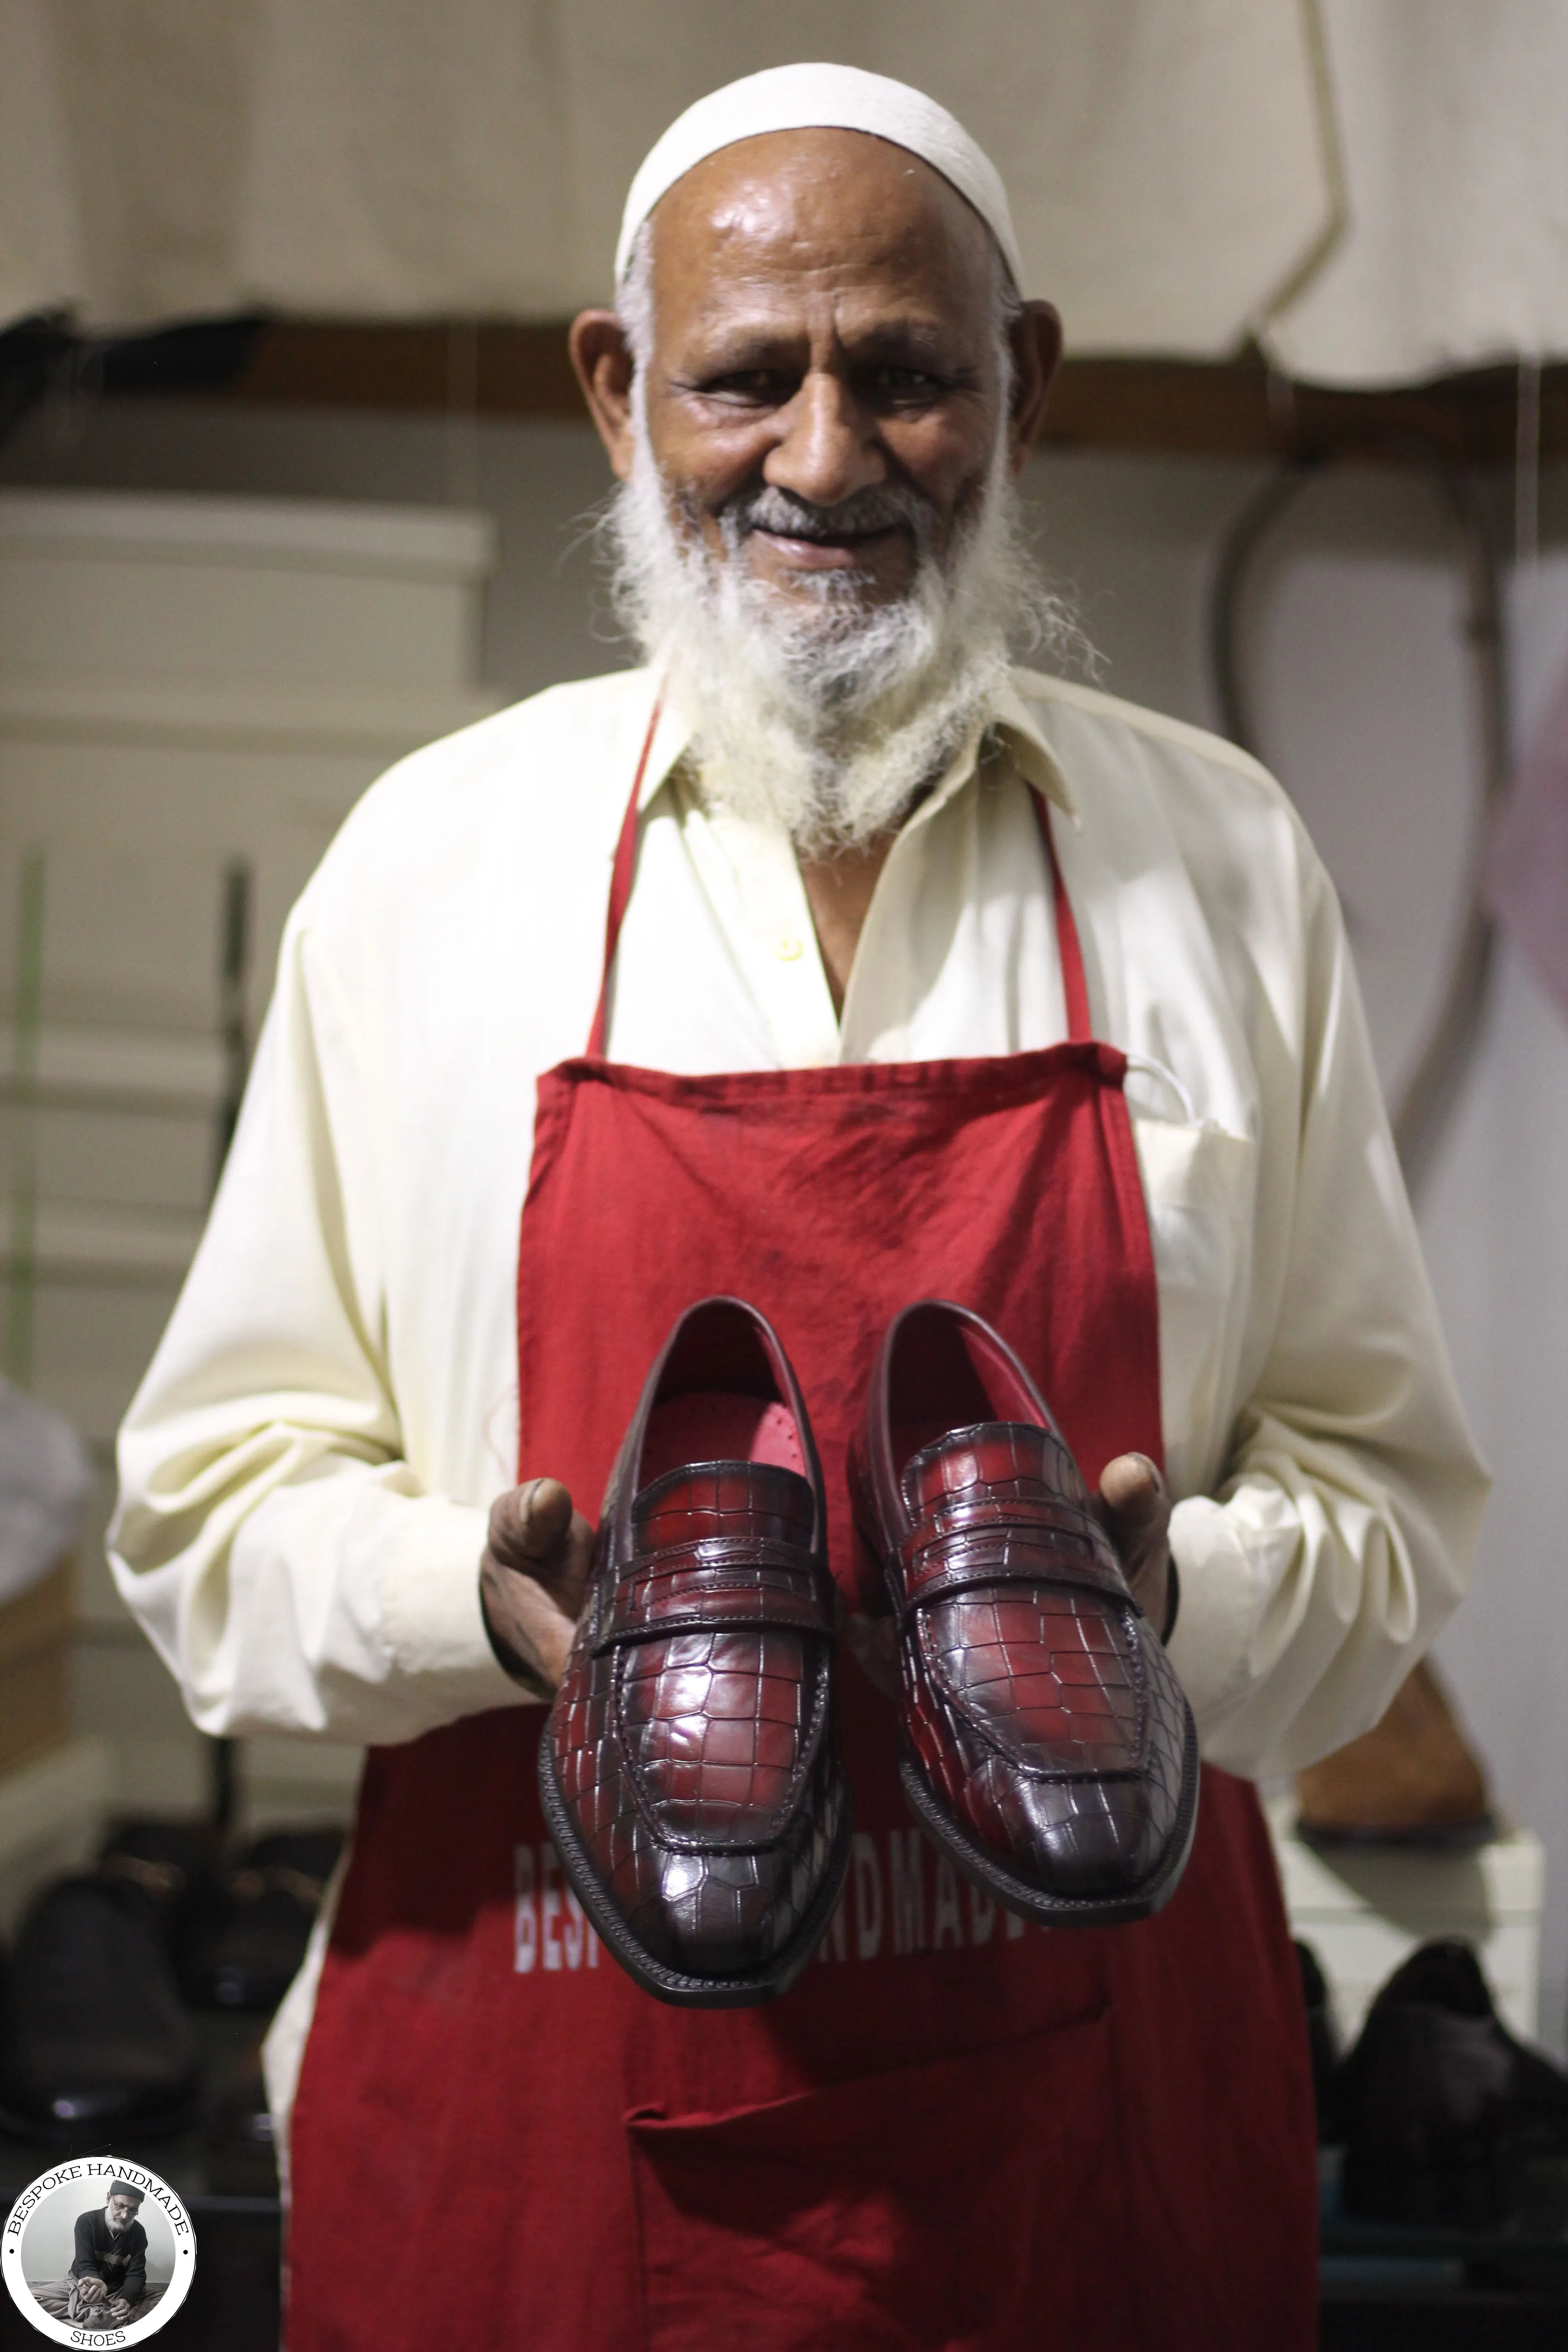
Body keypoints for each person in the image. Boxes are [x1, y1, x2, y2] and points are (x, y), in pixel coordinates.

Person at [110, 62, 1487, 2352]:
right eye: (747, 376)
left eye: (909, 376)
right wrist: (469, 1593)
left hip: (1099, 2172)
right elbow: (202, 1524)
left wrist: (1187, 1600)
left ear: (1021, 385)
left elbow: (1387, 1496)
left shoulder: (1217, 863)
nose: (827, 459)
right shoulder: (434, 872)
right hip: (531, 2151)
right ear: (616, 388)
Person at [30, 2184, 163, 2328]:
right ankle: (103, 2315)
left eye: (133, 2210)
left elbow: (136, 2274)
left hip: (117, 2290)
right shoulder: (87, 2221)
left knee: (168, 2300)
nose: (125, 2216)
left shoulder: (138, 2232)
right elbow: (85, 2265)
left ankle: (98, 2312)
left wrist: (127, 2300)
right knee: (27, 2299)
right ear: (109, 2198)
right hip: (81, 2285)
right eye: (120, 2206)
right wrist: (93, 2283)